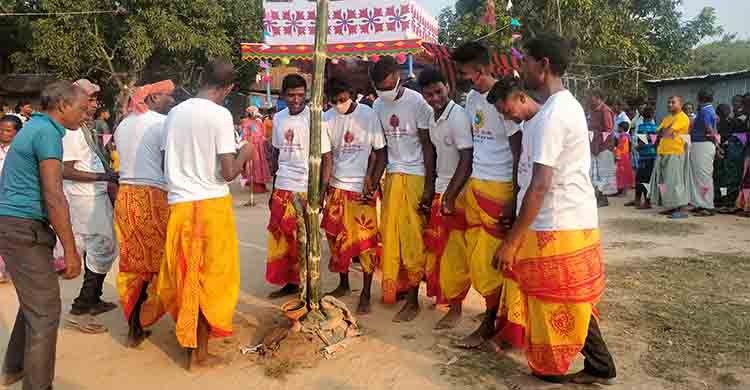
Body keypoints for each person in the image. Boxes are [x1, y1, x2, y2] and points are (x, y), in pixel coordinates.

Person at [493, 34, 616, 385]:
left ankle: (580, 363)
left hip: (559, 222)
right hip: (558, 220)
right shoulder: (555, 110)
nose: (520, 67)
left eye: (525, 61)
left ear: (543, 65)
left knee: (561, 300)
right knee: (566, 297)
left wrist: (511, 242)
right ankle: (599, 363)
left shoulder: (554, 115)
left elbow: (540, 184)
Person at [158, 59, 252, 370]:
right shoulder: (220, 115)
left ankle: (190, 342)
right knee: (209, 280)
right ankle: (198, 353)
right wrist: (247, 153)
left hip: (180, 205)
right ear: (228, 88)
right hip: (210, 206)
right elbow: (228, 172)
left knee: (186, 276)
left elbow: (164, 162)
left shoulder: (174, 113)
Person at [0, 81, 87, 390]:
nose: (86, 113)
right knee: (46, 311)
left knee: (34, 302)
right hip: (22, 227)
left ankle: (15, 367)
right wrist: (71, 250)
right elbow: (53, 195)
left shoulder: (37, 128)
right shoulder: (47, 133)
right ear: (62, 106)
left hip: (16, 226)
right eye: (81, 107)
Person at [448, 42, 522, 346]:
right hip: (477, 185)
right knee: (476, 256)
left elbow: (519, 154)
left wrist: (514, 199)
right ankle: (494, 313)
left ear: (480, 70)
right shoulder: (471, 99)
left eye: (465, 73)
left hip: (500, 186)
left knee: (488, 262)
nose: (463, 78)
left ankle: (490, 322)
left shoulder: (504, 99)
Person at [371, 56, 435, 322]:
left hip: (416, 174)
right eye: (380, 87)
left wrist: (430, 186)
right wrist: (372, 179)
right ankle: (397, 287)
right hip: (392, 176)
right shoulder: (377, 104)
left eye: (388, 85)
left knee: (413, 238)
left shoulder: (417, 103)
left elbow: (428, 147)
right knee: (390, 234)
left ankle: (413, 299)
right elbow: (381, 150)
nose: (385, 91)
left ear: (398, 76)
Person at [113, 79, 176, 348]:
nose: (171, 101)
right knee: (161, 262)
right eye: (166, 97)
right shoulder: (160, 124)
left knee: (133, 262)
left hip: (125, 196)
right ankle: (142, 323)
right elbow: (167, 164)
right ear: (151, 99)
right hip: (151, 197)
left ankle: (134, 326)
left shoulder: (122, 124)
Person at [320, 77, 386, 314]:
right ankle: (344, 284)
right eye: (334, 101)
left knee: (366, 243)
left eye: (343, 100)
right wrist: (322, 191)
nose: (339, 105)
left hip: (361, 190)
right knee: (335, 239)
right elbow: (326, 159)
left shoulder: (368, 115)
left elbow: (381, 152)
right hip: (337, 187)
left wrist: (373, 181)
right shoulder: (326, 118)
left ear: (352, 93)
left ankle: (367, 292)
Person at [266, 74, 332, 298]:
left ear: (306, 95)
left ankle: (307, 285)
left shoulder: (316, 118)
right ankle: (290, 283)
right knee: (282, 238)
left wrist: (321, 192)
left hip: (306, 187)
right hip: (283, 185)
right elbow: (276, 154)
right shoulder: (278, 118)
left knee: (304, 239)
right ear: (283, 95)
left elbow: (327, 157)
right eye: (291, 95)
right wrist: (274, 188)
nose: (296, 99)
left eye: (300, 95)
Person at [417, 68, 473, 330]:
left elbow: (467, 158)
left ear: (447, 88)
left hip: (458, 192)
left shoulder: (458, 117)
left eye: (438, 92)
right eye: (429, 94)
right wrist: (431, 190)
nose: (434, 98)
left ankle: (457, 307)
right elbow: (434, 157)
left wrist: (450, 195)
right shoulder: (431, 118)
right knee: (437, 248)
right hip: (441, 188)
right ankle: (445, 297)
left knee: (455, 253)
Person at [63, 79, 120, 321]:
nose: (94, 103)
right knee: (101, 247)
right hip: (84, 197)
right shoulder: (70, 131)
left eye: (96, 99)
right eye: (90, 98)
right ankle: (82, 305)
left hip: (94, 193)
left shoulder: (85, 127)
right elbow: (67, 170)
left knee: (103, 247)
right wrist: (104, 175)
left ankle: (92, 298)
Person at [649, 96, 691, 219]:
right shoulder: (668, 118)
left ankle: (681, 209)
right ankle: (671, 207)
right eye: (668, 102)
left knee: (676, 182)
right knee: (665, 182)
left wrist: (664, 131)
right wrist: (664, 131)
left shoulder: (683, 117)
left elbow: (666, 132)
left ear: (680, 104)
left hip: (675, 152)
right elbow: (659, 132)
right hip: (663, 152)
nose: (669, 104)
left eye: (673, 102)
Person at [0, 115, 24, 283]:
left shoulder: (21, 151)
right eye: (1, 130)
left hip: (13, 197)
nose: (3, 133)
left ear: (17, 133)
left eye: (8, 131)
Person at [688, 90, 718, 216]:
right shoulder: (710, 110)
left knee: (703, 176)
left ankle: (707, 206)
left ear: (699, 98)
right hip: (703, 145)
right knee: (699, 176)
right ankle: (700, 203)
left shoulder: (705, 110)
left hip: (702, 144)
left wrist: (714, 140)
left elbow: (709, 129)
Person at [714, 103, 745, 210]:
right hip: (726, 153)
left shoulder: (731, 122)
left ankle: (724, 200)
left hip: (727, 153)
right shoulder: (731, 122)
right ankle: (724, 200)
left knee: (724, 178)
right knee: (725, 179)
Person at [588, 90, 617, 205]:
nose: (590, 99)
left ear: (599, 98)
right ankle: (599, 197)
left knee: (604, 173)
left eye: (592, 97)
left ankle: (603, 198)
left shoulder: (605, 111)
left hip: (603, 147)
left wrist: (600, 146)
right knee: (595, 173)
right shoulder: (593, 111)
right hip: (594, 146)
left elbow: (608, 131)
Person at [626, 106, 658, 209]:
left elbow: (641, 142)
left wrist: (637, 148)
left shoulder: (642, 127)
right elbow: (655, 142)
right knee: (647, 179)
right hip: (652, 156)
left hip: (644, 156)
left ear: (643, 116)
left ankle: (641, 201)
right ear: (652, 116)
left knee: (640, 179)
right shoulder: (655, 128)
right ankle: (644, 200)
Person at [240, 105, 271, 198]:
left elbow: (262, 134)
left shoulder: (258, 122)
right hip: (252, 147)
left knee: (260, 165)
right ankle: (256, 185)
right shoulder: (246, 123)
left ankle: (261, 184)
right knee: (254, 166)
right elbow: (245, 136)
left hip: (259, 147)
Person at [614, 121, 635, 195]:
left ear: (622, 128)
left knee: (622, 174)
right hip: (625, 157)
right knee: (624, 173)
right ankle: (621, 190)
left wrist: (617, 155)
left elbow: (621, 148)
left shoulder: (623, 137)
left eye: (619, 127)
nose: (618, 128)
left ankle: (623, 191)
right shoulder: (626, 136)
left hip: (623, 158)